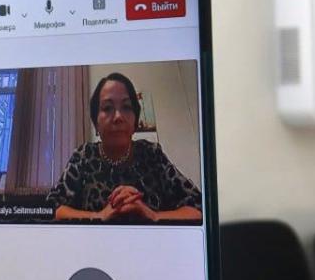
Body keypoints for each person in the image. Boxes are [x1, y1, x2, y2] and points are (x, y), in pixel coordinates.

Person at [48, 72, 203, 223]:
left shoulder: (151, 154)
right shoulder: (84, 156)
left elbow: (198, 206)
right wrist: (99, 216)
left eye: (127, 107)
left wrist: (153, 215)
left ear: (135, 120)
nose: (118, 117)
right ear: (96, 123)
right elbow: (52, 208)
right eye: (107, 108)